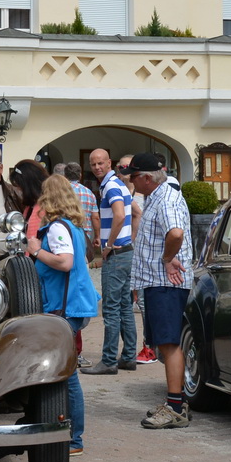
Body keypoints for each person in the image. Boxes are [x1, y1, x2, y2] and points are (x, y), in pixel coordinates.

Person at [25, 177, 99, 455]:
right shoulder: (74, 227)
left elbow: (64, 262)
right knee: (67, 373)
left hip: (64, 308)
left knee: (67, 376)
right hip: (72, 306)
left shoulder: (57, 227)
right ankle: (71, 436)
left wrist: (36, 250)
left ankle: (74, 440)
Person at [129, 153, 192, 429]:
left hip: (166, 281)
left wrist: (167, 259)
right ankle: (176, 402)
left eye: (133, 177)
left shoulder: (166, 198)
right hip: (158, 281)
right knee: (165, 343)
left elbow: (175, 233)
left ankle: (175, 407)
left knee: (169, 343)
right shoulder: (157, 196)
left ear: (146, 178)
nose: (131, 181)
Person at [82, 148, 137, 375]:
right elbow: (136, 213)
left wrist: (109, 245)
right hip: (126, 252)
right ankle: (129, 357)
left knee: (111, 309)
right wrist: (128, 240)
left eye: (100, 163)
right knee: (124, 306)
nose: (97, 167)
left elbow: (120, 215)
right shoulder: (119, 184)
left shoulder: (111, 186)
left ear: (109, 163)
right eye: (93, 164)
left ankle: (108, 361)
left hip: (116, 255)